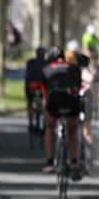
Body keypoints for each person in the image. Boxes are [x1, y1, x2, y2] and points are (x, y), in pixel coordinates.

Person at [41, 47, 83, 180]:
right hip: (71, 101)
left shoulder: (46, 70)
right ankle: (74, 162)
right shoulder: (75, 68)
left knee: (49, 127)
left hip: (54, 101)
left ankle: (49, 161)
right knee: (73, 131)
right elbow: (78, 88)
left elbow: (45, 95)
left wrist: (45, 111)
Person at [24, 47, 47, 133]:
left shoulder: (30, 62)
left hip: (31, 86)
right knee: (45, 101)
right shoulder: (47, 63)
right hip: (42, 87)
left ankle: (30, 123)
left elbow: (27, 75)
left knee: (30, 102)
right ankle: (45, 121)